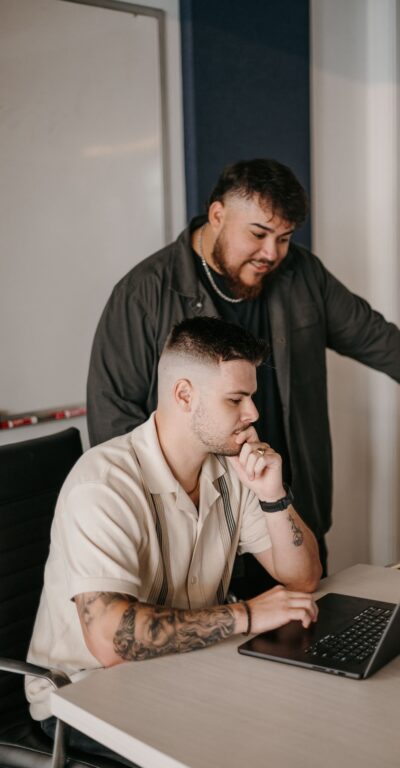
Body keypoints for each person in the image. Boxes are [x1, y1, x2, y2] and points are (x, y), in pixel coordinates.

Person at [86, 158, 400, 595]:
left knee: (306, 638)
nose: (272, 253)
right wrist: (160, 511)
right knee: (215, 651)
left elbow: (371, 333)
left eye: (284, 238)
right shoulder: (144, 293)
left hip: (287, 506)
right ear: (217, 215)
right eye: (258, 234)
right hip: (197, 523)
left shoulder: (301, 274)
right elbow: (112, 415)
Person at [26, 317, 321, 765]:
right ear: (185, 395)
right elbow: (111, 644)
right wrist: (246, 614)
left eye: (252, 398)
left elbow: (302, 579)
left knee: (301, 721)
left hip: (187, 671)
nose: (253, 415)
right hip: (83, 699)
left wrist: (273, 497)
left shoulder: (232, 471)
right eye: (236, 399)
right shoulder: (104, 483)